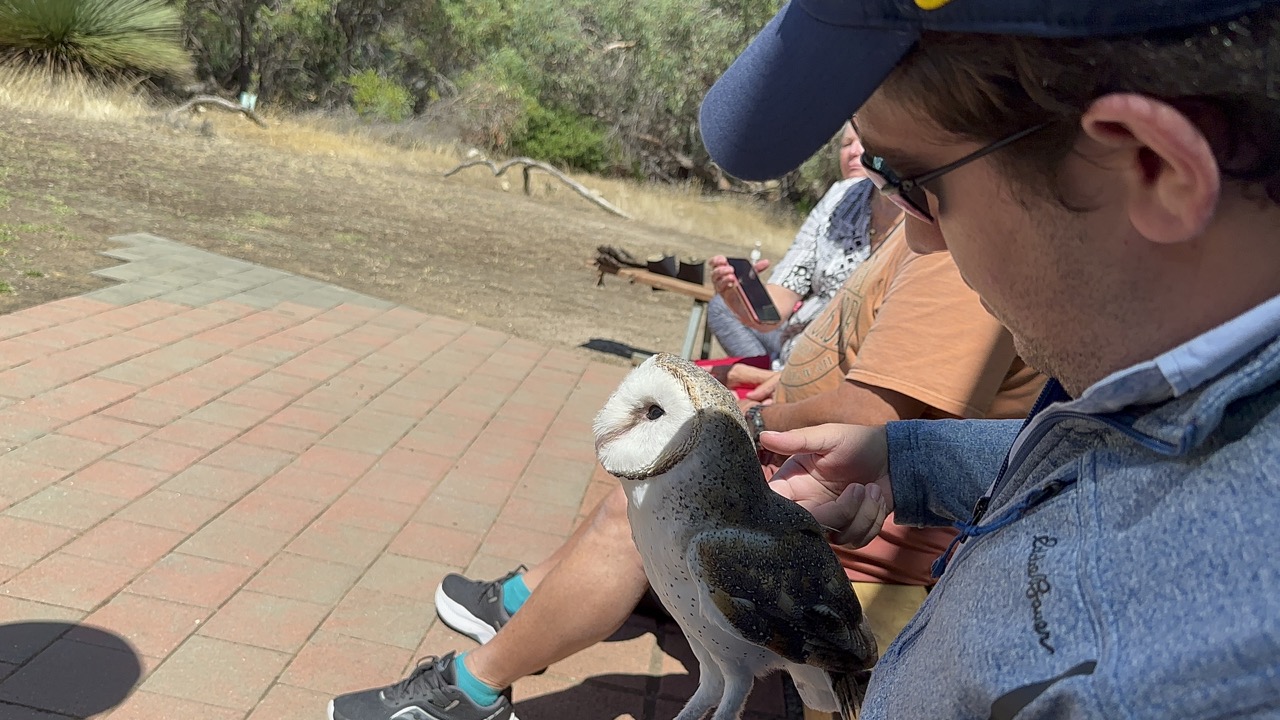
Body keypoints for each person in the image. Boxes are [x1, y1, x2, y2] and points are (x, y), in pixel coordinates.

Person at [696, 1, 1280, 718]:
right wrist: (903, 458)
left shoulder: (1163, 683)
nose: (919, 244)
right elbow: (1108, 458)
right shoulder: (1160, 364)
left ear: (1153, 167)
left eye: (913, 182)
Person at [326, 213, 1046, 720]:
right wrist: (773, 384)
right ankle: (523, 606)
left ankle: (475, 686)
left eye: (890, 152)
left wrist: (737, 423)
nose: (859, 149)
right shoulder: (908, 220)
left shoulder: (949, 246)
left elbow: (875, 415)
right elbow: (822, 349)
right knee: (648, 498)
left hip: (866, 537)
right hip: (806, 473)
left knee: (648, 514)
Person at [706, 122, 875, 367]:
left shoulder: (921, 217)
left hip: (843, 365)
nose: (854, 152)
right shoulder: (839, 197)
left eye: (864, 140)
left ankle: (765, 374)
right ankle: (767, 368)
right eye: (846, 144)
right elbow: (776, 306)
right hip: (797, 346)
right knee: (721, 307)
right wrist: (744, 303)